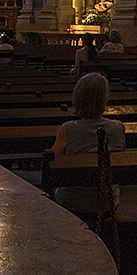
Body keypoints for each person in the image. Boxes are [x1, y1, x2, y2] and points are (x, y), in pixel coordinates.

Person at [50, 73, 124, 219]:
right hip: (107, 203)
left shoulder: (68, 129)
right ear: (105, 99)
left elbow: (52, 162)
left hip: (72, 203)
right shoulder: (118, 128)